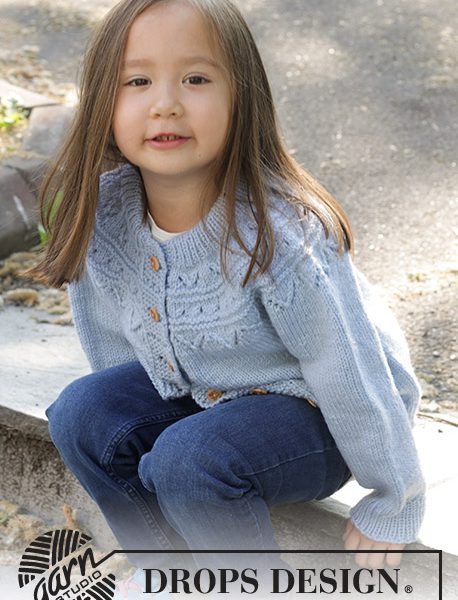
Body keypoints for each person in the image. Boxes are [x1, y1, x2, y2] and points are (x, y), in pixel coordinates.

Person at [24, 0, 426, 596]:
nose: (165, 104)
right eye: (137, 81)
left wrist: (395, 497)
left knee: (190, 459)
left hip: (319, 410)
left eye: (196, 79)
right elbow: (115, 350)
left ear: (243, 97)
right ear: (102, 102)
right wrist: (138, 431)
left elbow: (348, 370)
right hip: (209, 394)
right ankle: (170, 574)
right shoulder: (105, 212)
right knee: (82, 413)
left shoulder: (280, 234)